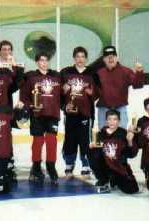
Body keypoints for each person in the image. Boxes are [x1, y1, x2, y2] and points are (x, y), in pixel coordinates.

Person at [18, 52, 62, 184]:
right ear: (37, 62)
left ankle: (51, 166)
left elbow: (63, 94)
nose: (44, 62)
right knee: (37, 141)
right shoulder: (31, 76)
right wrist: (29, 105)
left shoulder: (56, 76)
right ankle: (36, 167)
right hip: (37, 114)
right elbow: (24, 96)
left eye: (46, 60)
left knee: (51, 141)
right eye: (41, 60)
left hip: (52, 114)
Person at [60, 46, 98, 179]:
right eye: (77, 57)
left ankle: (86, 165)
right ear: (74, 58)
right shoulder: (66, 72)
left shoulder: (92, 73)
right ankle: (69, 164)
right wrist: (63, 94)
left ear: (86, 58)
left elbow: (97, 93)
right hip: (70, 114)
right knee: (70, 139)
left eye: (82, 57)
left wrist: (92, 93)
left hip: (86, 113)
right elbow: (58, 94)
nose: (80, 59)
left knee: (85, 139)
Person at [89, 109, 139, 194]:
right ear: (106, 121)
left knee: (132, 189)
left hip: (119, 166)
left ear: (119, 121)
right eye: (109, 119)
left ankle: (114, 180)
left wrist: (130, 141)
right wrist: (92, 146)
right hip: (106, 165)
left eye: (115, 119)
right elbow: (95, 156)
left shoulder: (123, 134)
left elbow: (132, 154)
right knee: (93, 153)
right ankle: (104, 180)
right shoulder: (101, 134)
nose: (112, 122)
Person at [96, 46, 144, 129]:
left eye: (113, 56)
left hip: (120, 109)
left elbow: (137, 85)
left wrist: (139, 73)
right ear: (104, 59)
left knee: (121, 136)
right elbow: (93, 92)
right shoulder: (99, 73)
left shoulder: (126, 71)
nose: (111, 59)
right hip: (103, 110)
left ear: (117, 57)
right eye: (108, 57)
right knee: (103, 138)